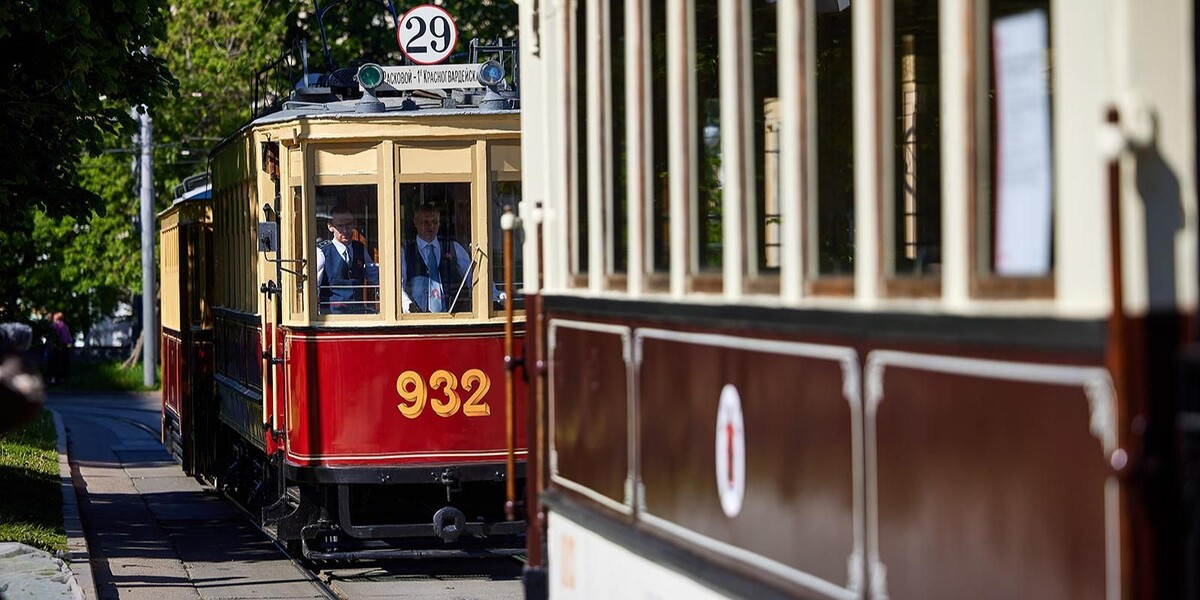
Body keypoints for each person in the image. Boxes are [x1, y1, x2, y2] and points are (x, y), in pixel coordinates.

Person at [316, 205, 380, 314]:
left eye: (349, 225)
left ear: (354, 224)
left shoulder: (359, 248)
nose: (345, 230)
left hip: (358, 316)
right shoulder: (322, 251)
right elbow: (314, 287)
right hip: (332, 318)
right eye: (340, 226)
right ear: (330, 226)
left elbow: (375, 276)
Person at [47, 312, 71, 384]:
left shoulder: (54, 325)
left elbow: (53, 336)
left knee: (53, 363)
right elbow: (69, 338)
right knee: (63, 363)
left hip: (56, 346)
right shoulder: (65, 326)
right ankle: (62, 379)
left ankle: (52, 379)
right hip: (65, 346)